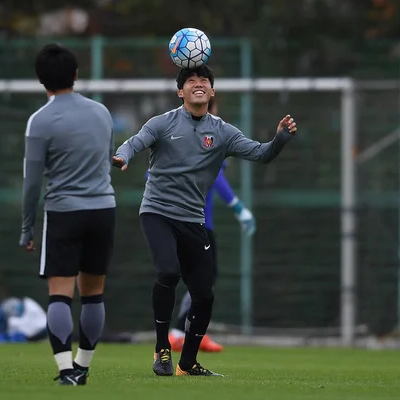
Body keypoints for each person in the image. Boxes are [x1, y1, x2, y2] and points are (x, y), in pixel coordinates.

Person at [113, 64, 296, 377]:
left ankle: (188, 363)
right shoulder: (162, 122)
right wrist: (123, 156)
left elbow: (261, 153)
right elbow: (134, 142)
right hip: (157, 211)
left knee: (204, 293)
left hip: (193, 220)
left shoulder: (223, 131)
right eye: (191, 81)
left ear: (212, 91)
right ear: (180, 91)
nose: (198, 84)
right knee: (168, 271)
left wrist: (279, 139)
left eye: (204, 81)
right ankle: (162, 349)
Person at [19, 43, 116, 386]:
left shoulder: (40, 120)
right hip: (104, 210)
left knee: (60, 294)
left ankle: (65, 371)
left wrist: (27, 228)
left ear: (41, 81)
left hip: (64, 213)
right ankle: (84, 366)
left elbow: (32, 183)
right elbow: (108, 160)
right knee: (93, 294)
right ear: (76, 75)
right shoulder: (102, 112)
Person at [167, 98, 256, 353]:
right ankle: (184, 332)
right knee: (203, 281)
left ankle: (184, 332)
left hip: (184, 220)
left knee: (199, 280)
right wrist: (239, 208)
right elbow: (216, 176)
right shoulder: (206, 135)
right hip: (198, 223)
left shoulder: (175, 135)